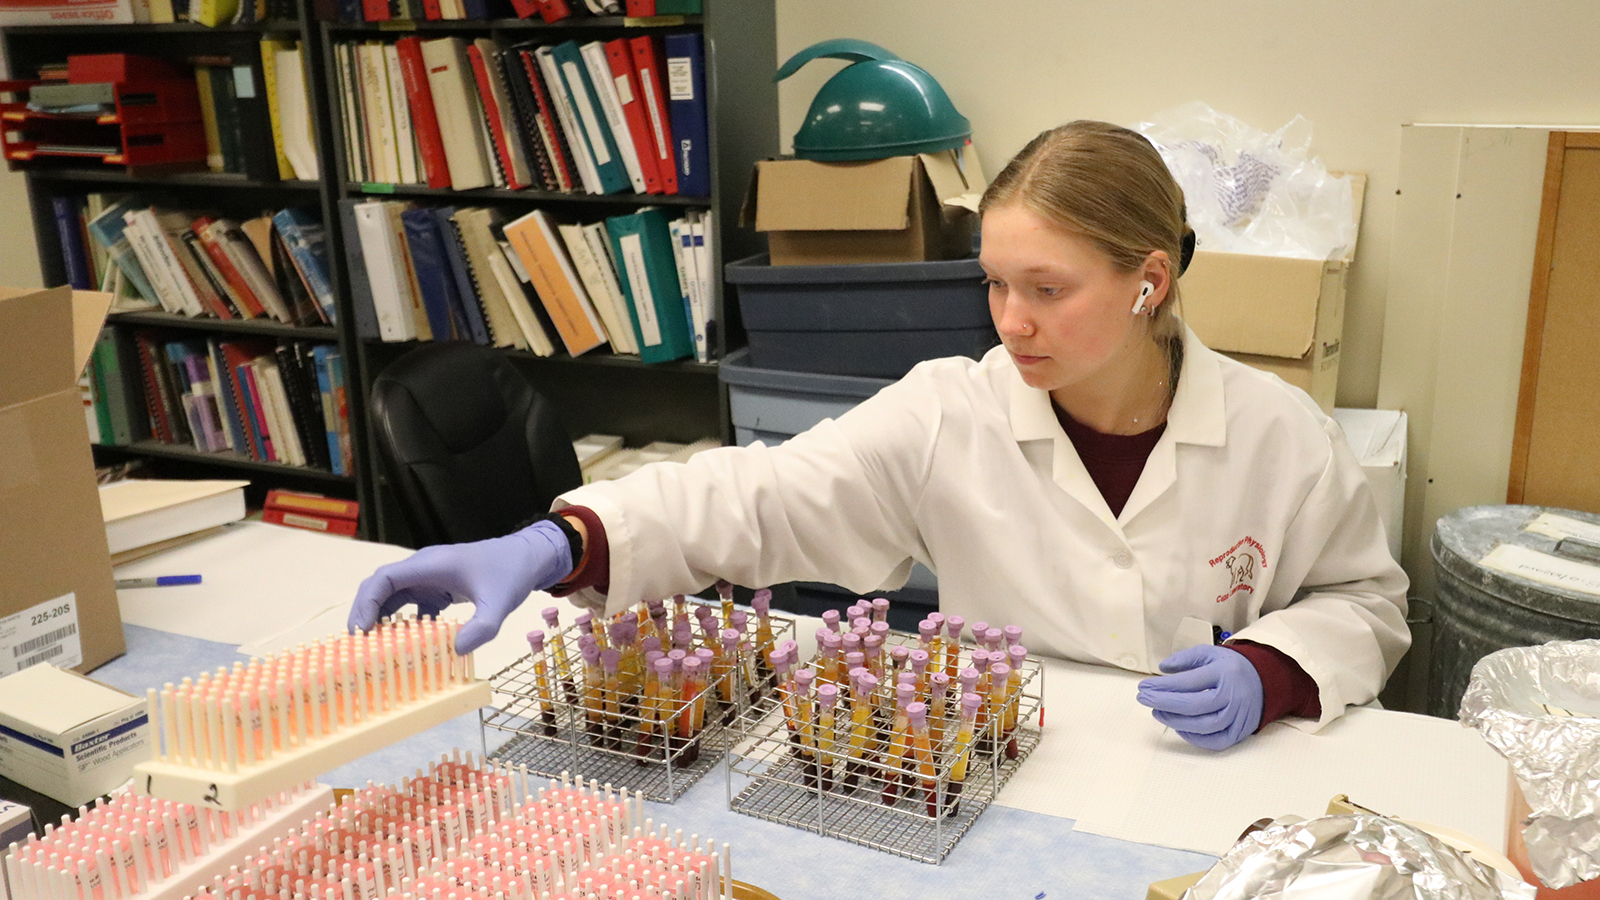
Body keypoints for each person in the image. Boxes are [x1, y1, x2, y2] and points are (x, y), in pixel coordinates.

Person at [349, 120, 1409, 751]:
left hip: (1208, 781)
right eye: (994, 283)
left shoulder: (1280, 435)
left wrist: (1271, 671)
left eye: (1048, 288)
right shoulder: (952, 408)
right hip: (1005, 757)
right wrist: (560, 541)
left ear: (1150, 279)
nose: (1011, 321)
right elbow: (760, 494)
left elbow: (1364, 600)